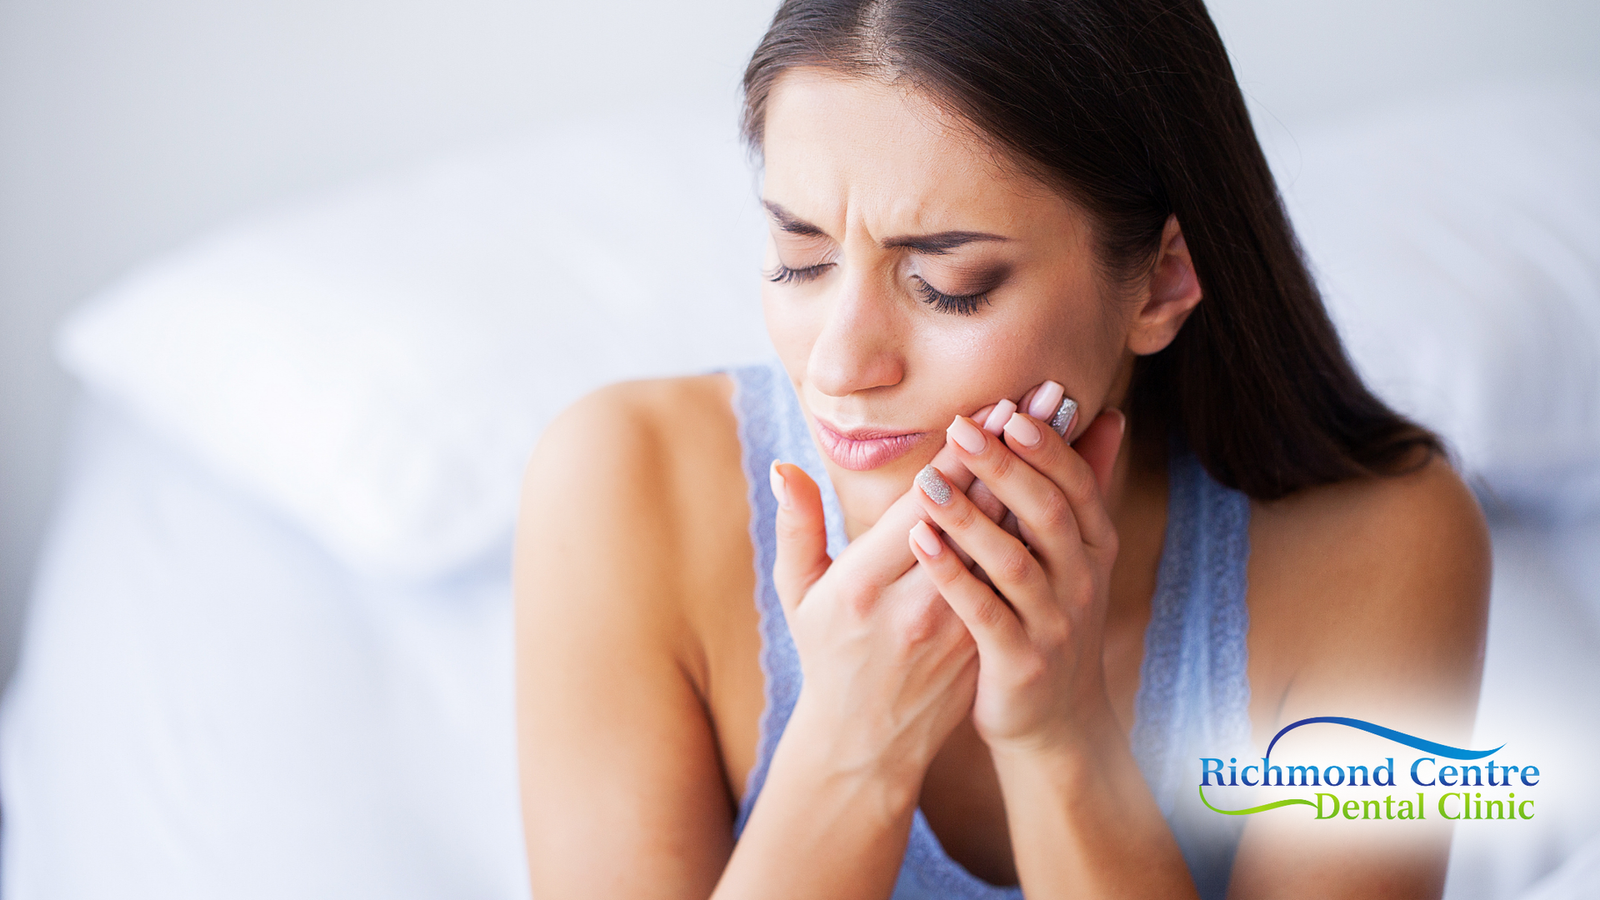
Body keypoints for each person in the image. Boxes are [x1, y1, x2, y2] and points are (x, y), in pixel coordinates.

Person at [512, 1, 1491, 897]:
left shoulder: (1381, 546)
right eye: (799, 261)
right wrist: (853, 742)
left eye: (951, 284)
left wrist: (1060, 743)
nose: (841, 365)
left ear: (1161, 280)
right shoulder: (619, 484)